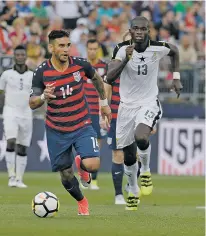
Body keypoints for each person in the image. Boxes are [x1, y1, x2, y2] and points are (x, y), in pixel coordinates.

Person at [29, 30, 111, 216]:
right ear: (51, 47)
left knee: (92, 164)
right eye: (61, 45)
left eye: (68, 45)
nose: (66, 49)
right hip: (56, 130)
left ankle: (82, 167)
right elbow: (32, 102)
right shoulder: (42, 71)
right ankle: (82, 201)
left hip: (82, 124)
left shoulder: (80, 65)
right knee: (66, 176)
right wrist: (43, 96)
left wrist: (103, 103)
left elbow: (97, 78)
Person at [106, 16, 183, 210]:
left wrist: (176, 77)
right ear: (130, 31)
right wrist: (126, 60)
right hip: (125, 107)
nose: (139, 32)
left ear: (149, 31)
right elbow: (110, 76)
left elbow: (175, 51)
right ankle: (132, 189)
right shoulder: (121, 49)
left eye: (143, 29)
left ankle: (146, 171)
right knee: (129, 156)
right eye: (135, 29)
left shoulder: (158, 47)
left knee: (141, 136)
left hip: (148, 102)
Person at [0, 45, 33, 188]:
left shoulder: (32, 75)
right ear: (14, 56)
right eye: (17, 54)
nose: (20, 57)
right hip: (10, 111)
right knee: (11, 141)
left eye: (22, 54)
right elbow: (1, 93)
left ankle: (19, 179)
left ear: (26, 56)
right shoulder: (6, 75)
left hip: (26, 113)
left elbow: (36, 94)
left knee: (23, 147)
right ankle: (11, 176)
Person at [80, 39, 108, 190]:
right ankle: (85, 177)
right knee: (83, 148)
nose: (92, 51)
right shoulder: (81, 66)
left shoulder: (104, 66)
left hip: (97, 114)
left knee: (97, 147)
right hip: (83, 113)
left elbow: (106, 89)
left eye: (95, 48)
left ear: (98, 49)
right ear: (86, 49)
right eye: (90, 48)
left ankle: (94, 180)